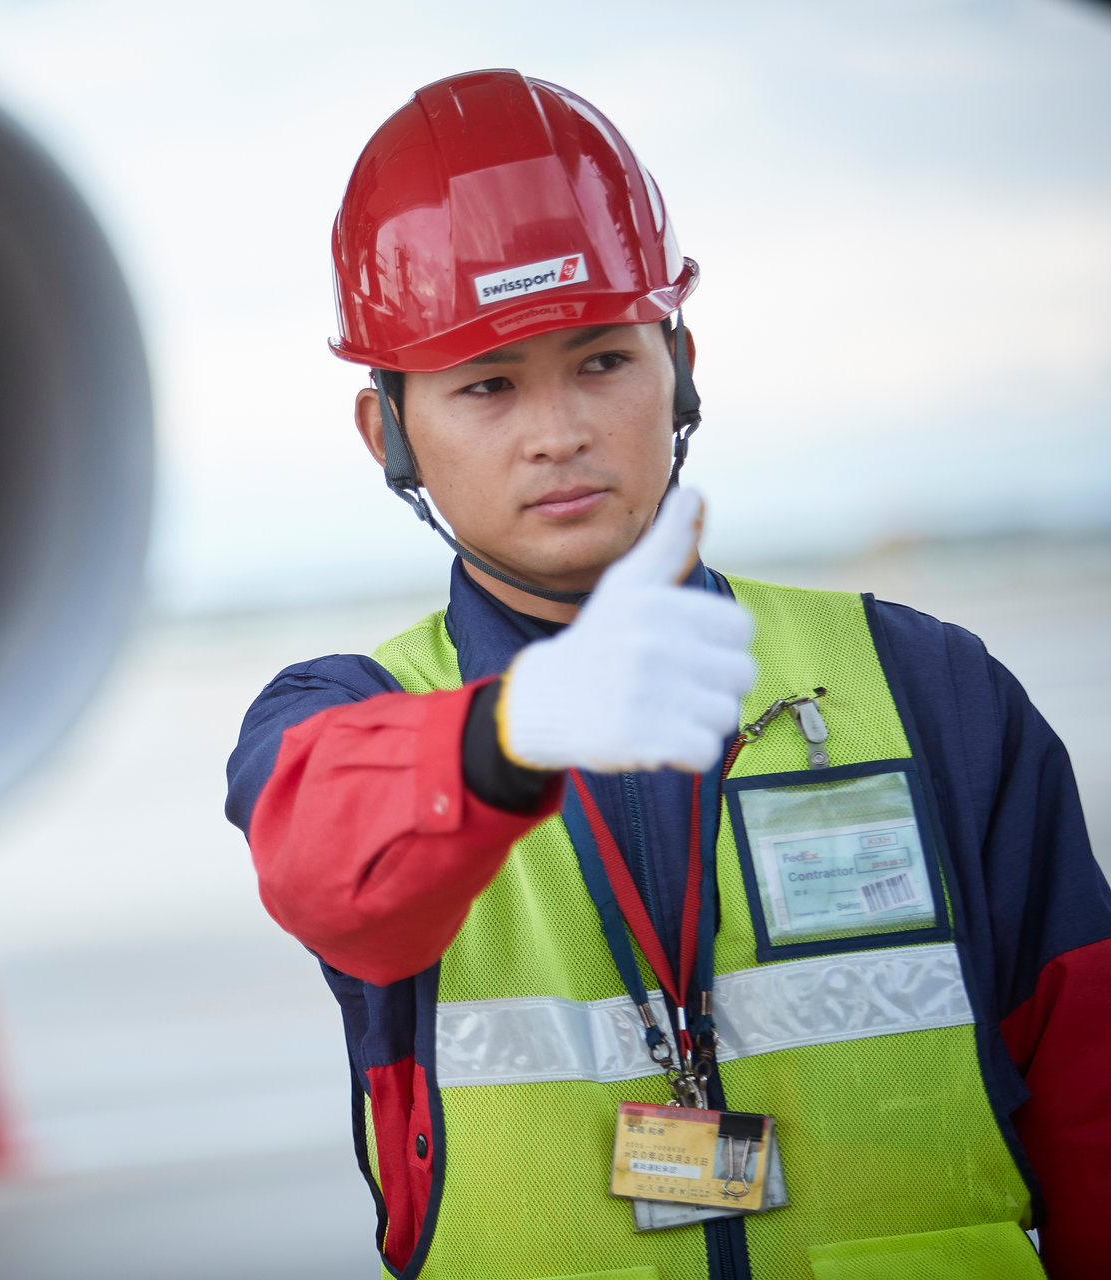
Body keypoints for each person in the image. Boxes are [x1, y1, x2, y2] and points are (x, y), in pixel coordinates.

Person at [224, 70, 1109, 1280]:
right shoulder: (352, 715)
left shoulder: (930, 685)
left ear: (680, 365)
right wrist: (509, 733)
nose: (559, 431)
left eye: (601, 362)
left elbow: (1094, 1099)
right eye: (487, 384)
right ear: (390, 434)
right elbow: (327, 867)